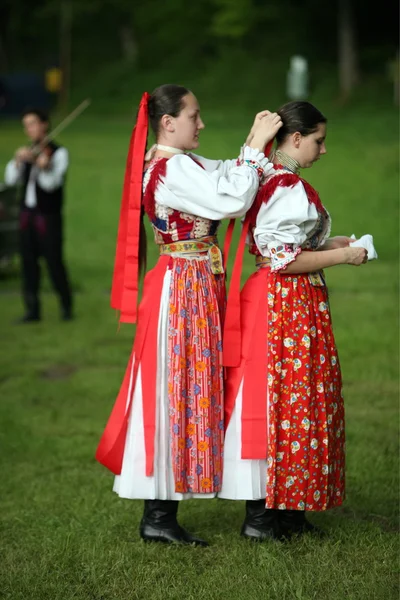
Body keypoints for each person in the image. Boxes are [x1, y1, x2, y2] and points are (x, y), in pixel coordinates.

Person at [96, 84, 282, 546]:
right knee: (172, 387)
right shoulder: (169, 168)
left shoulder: (182, 165)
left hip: (195, 283)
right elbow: (231, 200)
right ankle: (158, 515)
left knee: (185, 385)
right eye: (194, 116)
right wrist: (254, 148)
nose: (201, 124)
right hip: (183, 286)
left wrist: (253, 150)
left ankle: (163, 512)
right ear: (168, 122)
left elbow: (228, 176)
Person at [219, 101, 370, 541]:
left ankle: (288, 509)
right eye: (319, 141)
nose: (323, 151)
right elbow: (283, 258)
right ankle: (265, 516)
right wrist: (342, 255)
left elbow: (287, 243)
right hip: (283, 302)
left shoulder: (276, 180)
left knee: (294, 399)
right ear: (297, 138)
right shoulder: (283, 185)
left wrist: (333, 242)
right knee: (282, 399)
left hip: (288, 300)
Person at [4, 108, 73, 322]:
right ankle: (32, 310)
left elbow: (51, 184)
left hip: (48, 217)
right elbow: (10, 181)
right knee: (28, 263)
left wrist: (42, 166)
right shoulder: (28, 152)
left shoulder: (59, 153)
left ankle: (66, 306)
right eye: (26, 125)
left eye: (32, 124)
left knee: (53, 262)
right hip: (27, 217)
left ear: (44, 124)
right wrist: (17, 161)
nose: (29, 129)